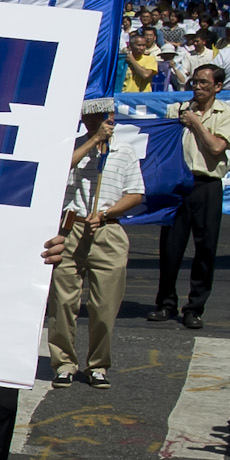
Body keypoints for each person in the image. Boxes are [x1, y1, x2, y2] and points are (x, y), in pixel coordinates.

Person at [49, 96, 143, 385]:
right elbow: (58, 170)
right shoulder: (74, 147)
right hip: (70, 228)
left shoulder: (125, 151)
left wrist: (106, 213)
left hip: (107, 230)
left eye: (101, 116)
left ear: (111, 116)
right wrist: (92, 142)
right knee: (63, 303)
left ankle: (98, 364)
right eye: (89, 116)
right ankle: (64, 362)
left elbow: (135, 194)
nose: (95, 121)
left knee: (104, 306)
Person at [150, 63, 230, 330]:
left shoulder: (226, 114)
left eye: (204, 84)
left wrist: (196, 123)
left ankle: (195, 306)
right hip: (177, 184)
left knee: (205, 247)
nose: (197, 87)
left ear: (217, 87)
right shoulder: (175, 110)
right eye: (195, 82)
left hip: (206, 184)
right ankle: (166, 302)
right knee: (171, 247)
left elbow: (216, 147)